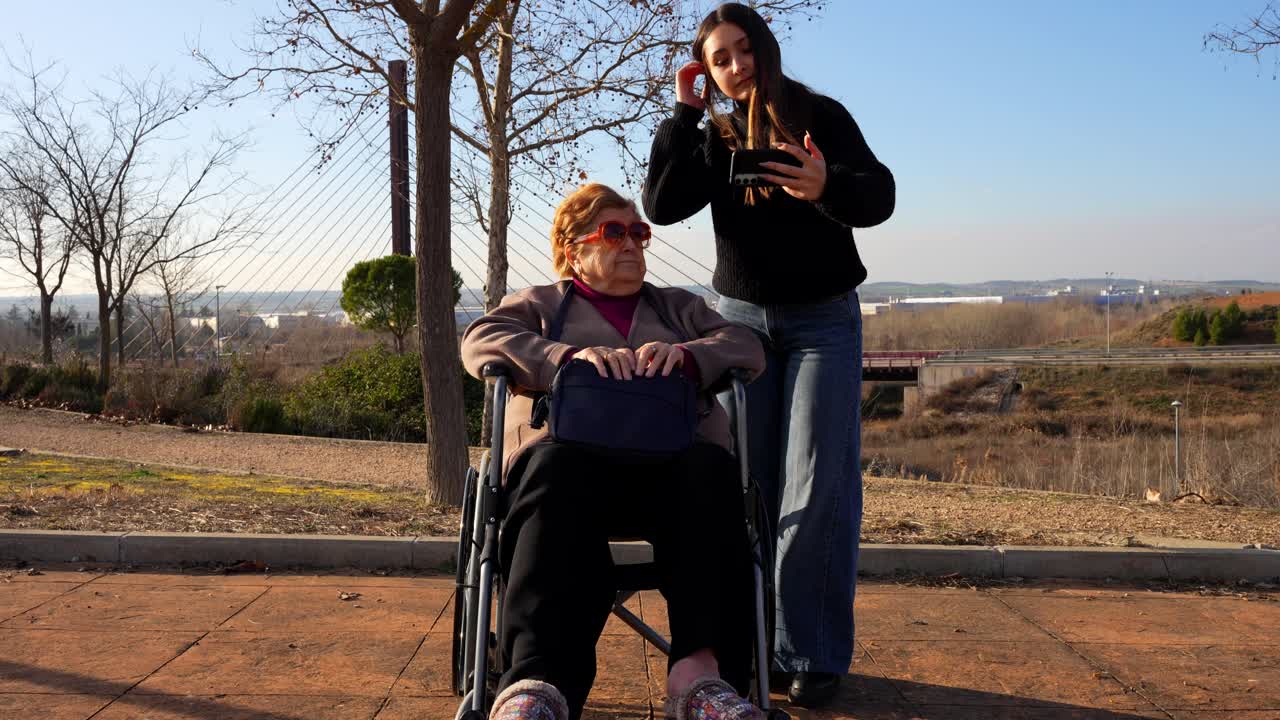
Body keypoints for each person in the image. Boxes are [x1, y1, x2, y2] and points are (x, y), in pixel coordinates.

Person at [642, 2, 896, 708]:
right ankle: (752, 646)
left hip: (823, 321)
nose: (735, 66)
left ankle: (808, 652)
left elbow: (879, 194)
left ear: (765, 48)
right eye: (719, 59)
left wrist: (826, 186)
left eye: (743, 49)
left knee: (817, 485)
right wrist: (684, 114)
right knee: (747, 486)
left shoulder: (819, 115)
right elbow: (660, 204)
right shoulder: (714, 135)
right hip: (742, 323)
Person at [460, 183, 768, 720]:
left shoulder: (678, 308)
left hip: (672, 469)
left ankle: (701, 679)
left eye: (638, 232)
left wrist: (686, 355)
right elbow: (480, 340)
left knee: (712, 471)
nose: (631, 243)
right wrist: (564, 357)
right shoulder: (539, 306)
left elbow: (745, 346)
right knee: (551, 468)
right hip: (571, 470)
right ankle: (536, 683)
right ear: (573, 249)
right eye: (614, 232)